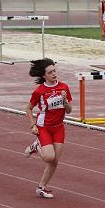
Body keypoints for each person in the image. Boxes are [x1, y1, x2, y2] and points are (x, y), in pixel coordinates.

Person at [24, 58, 72, 199]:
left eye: (54, 71)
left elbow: (69, 110)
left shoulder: (64, 87)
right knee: (49, 157)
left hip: (58, 127)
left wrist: (64, 100)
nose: (54, 74)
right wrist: (32, 125)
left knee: (54, 161)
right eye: (50, 72)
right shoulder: (39, 91)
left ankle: (41, 188)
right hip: (43, 127)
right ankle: (36, 146)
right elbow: (28, 108)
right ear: (44, 75)